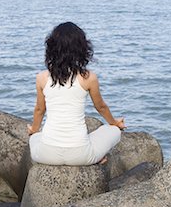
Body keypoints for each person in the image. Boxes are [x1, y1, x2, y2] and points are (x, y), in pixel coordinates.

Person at [27, 21, 126, 166]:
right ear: (82, 49)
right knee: (113, 131)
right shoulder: (88, 78)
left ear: (52, 48)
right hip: (80, 156)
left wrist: (34, 130)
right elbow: (101, 107)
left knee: (34, 137)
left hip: (46, 155)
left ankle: (38, 136)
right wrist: (115, 123)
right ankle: (97, 159)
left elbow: (40, 110)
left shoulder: (41, 78)